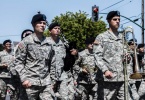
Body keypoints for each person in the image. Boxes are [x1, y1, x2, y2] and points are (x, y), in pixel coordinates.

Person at [11, 12, 54, 100]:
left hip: (46, 83)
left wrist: (52, 80)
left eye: (44, 23)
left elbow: (52, 62)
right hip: (30, 84)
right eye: (40, 23)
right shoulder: (26, 42)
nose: (42, 25)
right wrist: (24, 79)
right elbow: (18, 62)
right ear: (33, 24)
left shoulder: (49, 43)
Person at [93, 11, 132, 99]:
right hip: (107, 79)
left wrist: (128, 57)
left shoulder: (122, 37)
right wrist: (105, 70)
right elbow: (97, 56)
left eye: (119, 19)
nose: (117, 21)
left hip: (122, 78)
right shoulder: (101, 37)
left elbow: (126, 53)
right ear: (108, 21)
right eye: (115, 19)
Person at [48, 22, 77, 100]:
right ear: (50, 31)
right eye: (55, 28)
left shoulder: (64, 44)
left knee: (64, 97)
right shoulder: (46, 43)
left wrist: (72, 54)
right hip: (49, 75)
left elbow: (68, 60)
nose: (57, 30)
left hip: (61, 74)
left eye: (59, 28)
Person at [9, 29, 33, 100]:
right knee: (19, 95)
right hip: (21, 76)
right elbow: (16, 62)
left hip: (35, 76)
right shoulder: (19, 46)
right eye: (27, 36)